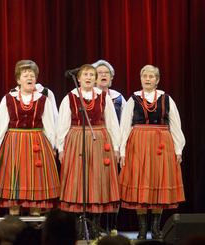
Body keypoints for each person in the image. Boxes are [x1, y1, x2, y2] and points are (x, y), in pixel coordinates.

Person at [119, 65, 185, 240]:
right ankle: (142, 229)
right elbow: (125, 126)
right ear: (141, 79)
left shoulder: (166, 99)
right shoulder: (133, 99)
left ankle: (155, 228)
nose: (147, 79)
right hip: (138, 143)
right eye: (144, 76)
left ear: (157, 80)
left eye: (151, 76)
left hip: (161, 145)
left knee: (159, 182)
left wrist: (178, 148)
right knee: (140, 184)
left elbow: (175, 125)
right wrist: (122, 151)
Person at [56, 64, 120, 238]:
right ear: (78, 78)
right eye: (86, 74)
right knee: (79, 181)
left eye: (92, 74)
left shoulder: (103, 97)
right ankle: (79, 226)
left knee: (97, 180)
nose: (89, 77)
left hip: (99, 139)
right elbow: (62, 124)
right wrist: (61, 148)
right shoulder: (70, 97)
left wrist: (116, 147)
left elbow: (112, 122)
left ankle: (95, 226)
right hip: (77, 139)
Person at [0, 60, 60, 216]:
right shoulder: (8, 99)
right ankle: (14, 221)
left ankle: (35, 221)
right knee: (14, 180)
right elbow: (1, 124)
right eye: (25, 75)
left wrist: (53, 147)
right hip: (14, 143)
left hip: (37, 142)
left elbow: (50, 125)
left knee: (35, 180)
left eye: (32, 75)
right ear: (18, 80)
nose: (29, 77)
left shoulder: (43, 100)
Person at [92, 59, 126, 233]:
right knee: (97, 184)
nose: (103, 75)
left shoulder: (119, 98)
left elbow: (125, 124)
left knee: (113, 186)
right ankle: (95, 226)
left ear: (112, 78)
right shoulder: (89, 96)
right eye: (100, 73)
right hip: (96, 144)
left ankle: (112, 226)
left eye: (107, 73)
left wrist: (121, 147)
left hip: (115, 144)